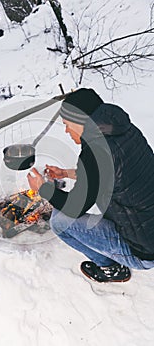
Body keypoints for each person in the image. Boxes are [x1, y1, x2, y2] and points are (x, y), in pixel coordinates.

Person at [27, 88, 154, 283]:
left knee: (59, 221)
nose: (67, 131)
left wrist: (42, 188)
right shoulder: (124, 131)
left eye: (67, 125)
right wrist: (66, 173)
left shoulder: (95, 152)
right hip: (147, 227)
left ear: (79, 120)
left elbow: (74, 207)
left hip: (142, 250)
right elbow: (110, 173)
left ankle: (111, 268)